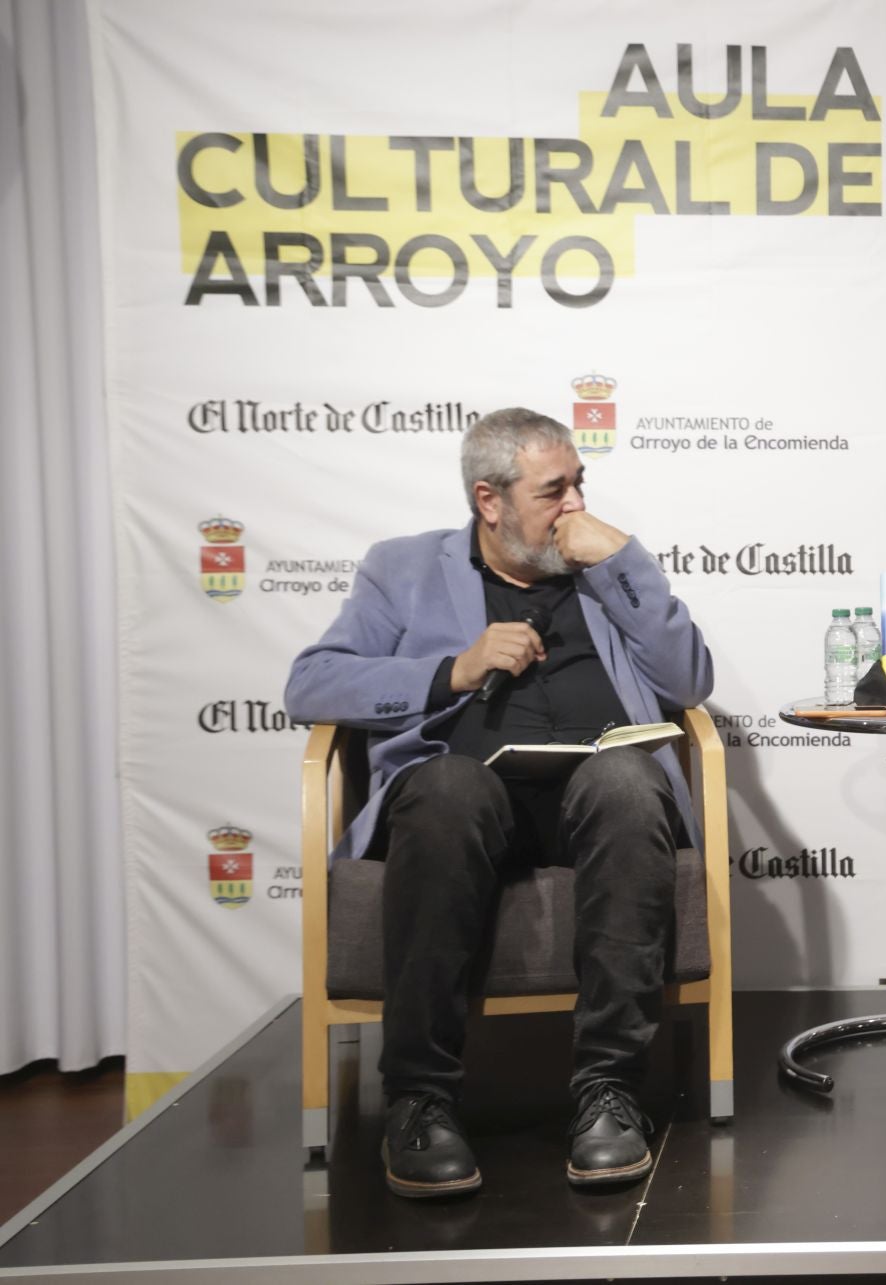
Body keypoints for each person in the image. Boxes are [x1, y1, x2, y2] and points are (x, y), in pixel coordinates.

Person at [286, 407, 713, 1198]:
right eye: (555, 491)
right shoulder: (404, 568)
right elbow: (311, 683)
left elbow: (688, 680)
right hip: (467, 802)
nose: (575, 505)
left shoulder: (601, 570)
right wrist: (450, 668)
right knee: (450, 782)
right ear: (490, 501)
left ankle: (607, 1092)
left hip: (594, 802)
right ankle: (419, 1098)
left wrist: (625, 560)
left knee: (626, 778)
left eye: (580, 483)